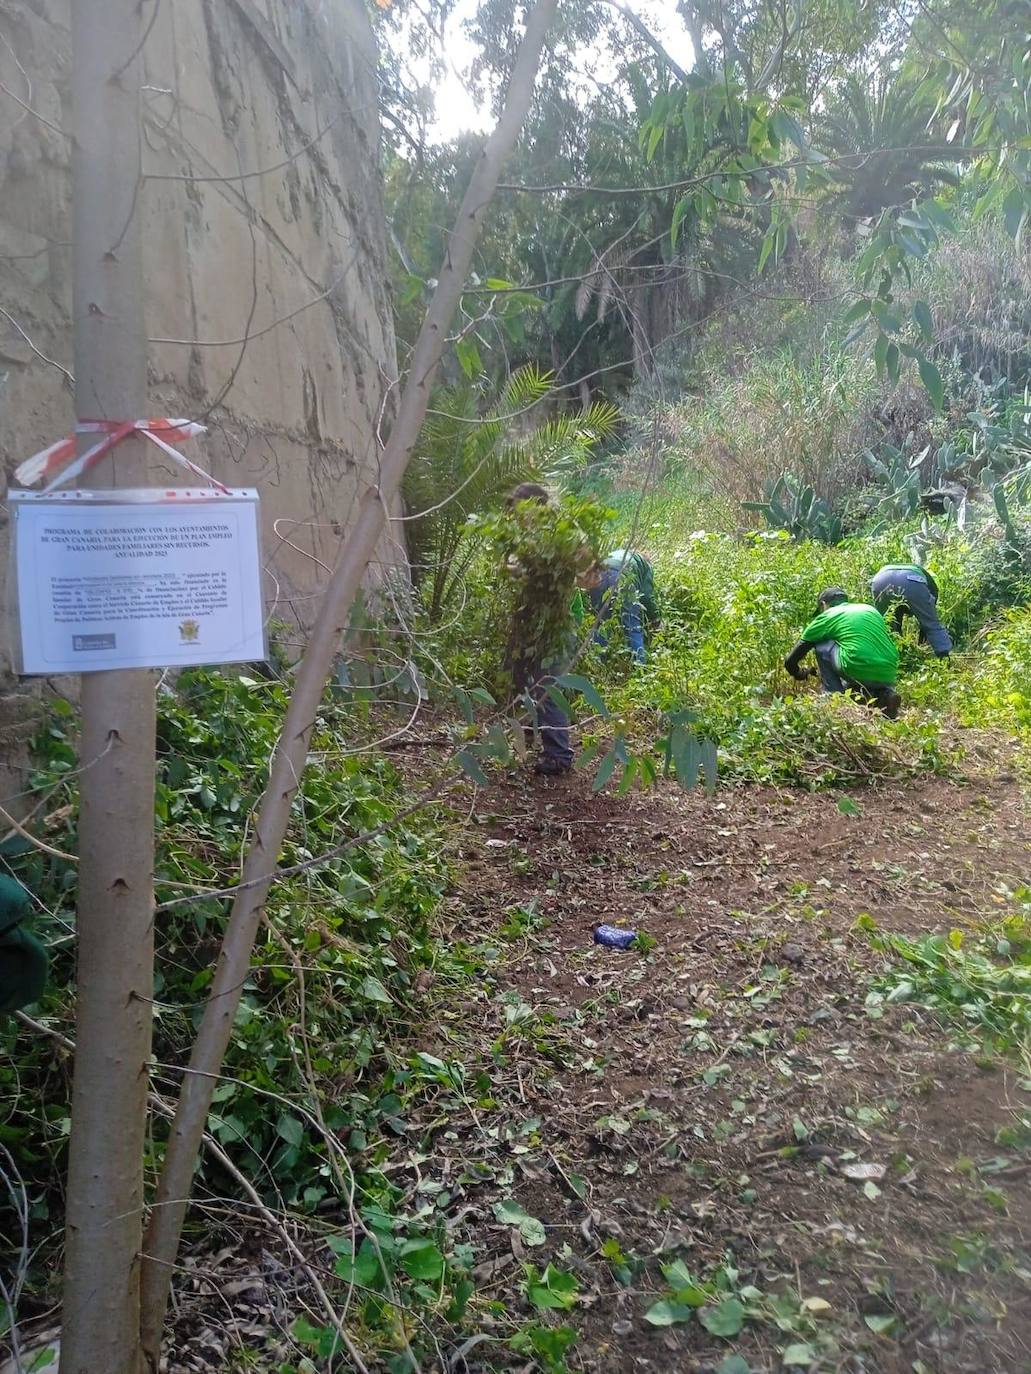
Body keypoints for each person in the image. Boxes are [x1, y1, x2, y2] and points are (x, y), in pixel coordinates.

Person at [502, 482, 586, 776]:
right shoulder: (525, 539)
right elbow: (513, 568)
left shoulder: (563, 534)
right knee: (521, 677)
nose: (515, 518)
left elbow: (587, 574)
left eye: (519, 511)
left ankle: (559, 756)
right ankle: (529, 732)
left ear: (536, 508)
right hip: (530, 624)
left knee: (547, 686)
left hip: (555, 627)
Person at [784, 587, 902, 719]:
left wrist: (800, 674)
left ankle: (832, 696)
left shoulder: (827, 616)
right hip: (889, 671)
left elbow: (790, 661)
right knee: (858, 652)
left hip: (856, 667)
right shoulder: (869, 610)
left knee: (822, 644)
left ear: (823, 605)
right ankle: (886, 694)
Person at [580, 548, 660, 664]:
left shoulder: (621, 552)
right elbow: (647, 597)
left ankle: (599, 663)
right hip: (622, 576)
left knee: (601, 622)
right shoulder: (645, 565)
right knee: (631, 625)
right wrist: (656, 619)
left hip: (598, 576)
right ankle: (640, 667)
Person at [870, 563, 952, 658]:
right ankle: (944, 658)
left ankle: (893, 657)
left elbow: (897, 618)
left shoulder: (918, 572)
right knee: (932, 624)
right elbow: (928, 619)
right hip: (912, 581)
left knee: (887, 626)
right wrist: (922, 643)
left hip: (880, 579)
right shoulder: (932, 587)